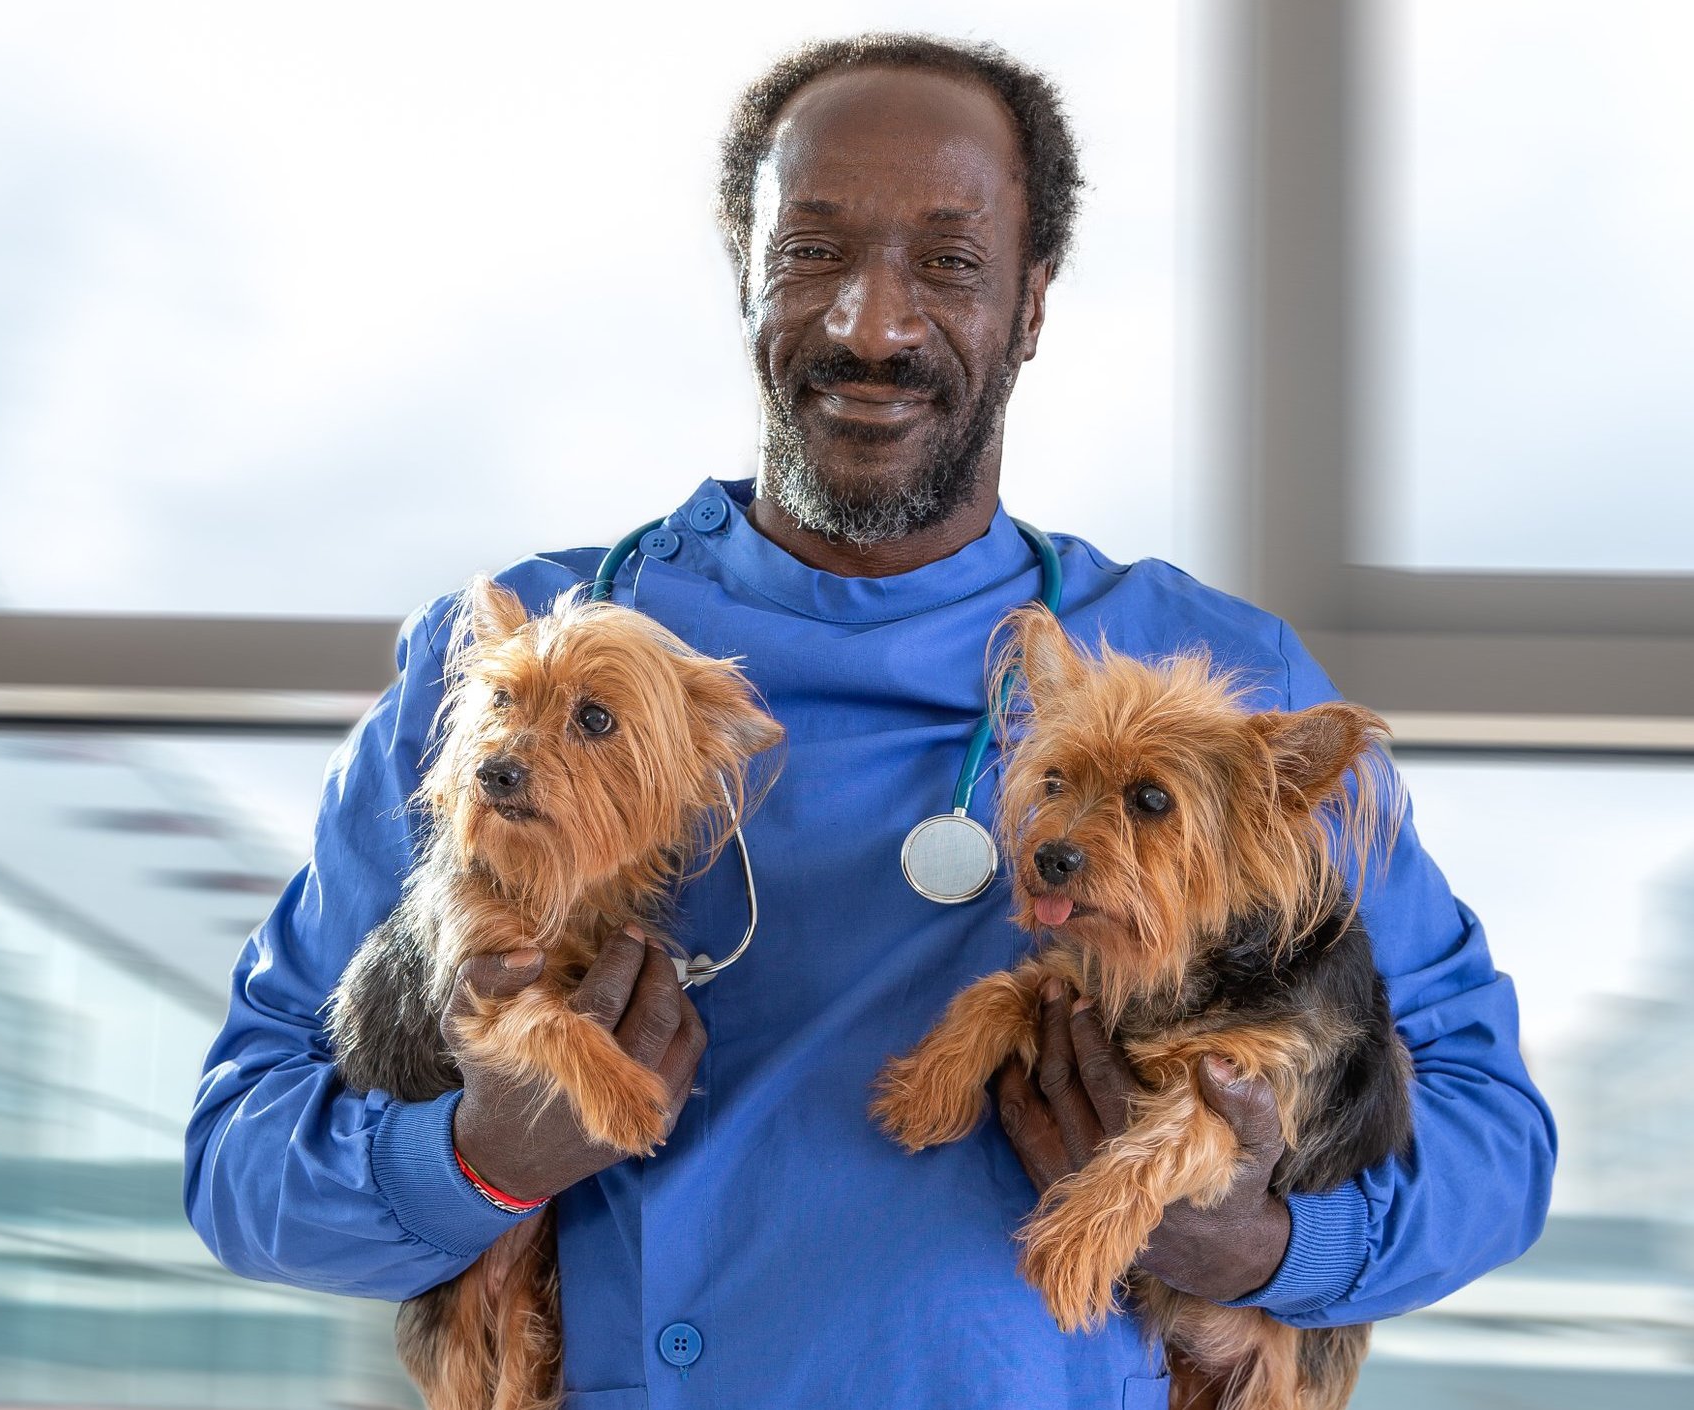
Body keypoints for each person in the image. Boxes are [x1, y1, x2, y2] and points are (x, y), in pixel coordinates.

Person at [183, 33, 1552, 1408]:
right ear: (746, 279)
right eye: (813, 254)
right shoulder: (509, 669)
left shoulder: (1219, 685)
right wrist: (476, 1156)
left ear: (1030, 305)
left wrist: (1258, 1240)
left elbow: (1493, 1138)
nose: (872, 325)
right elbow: (241, 1159)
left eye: (948, 264)